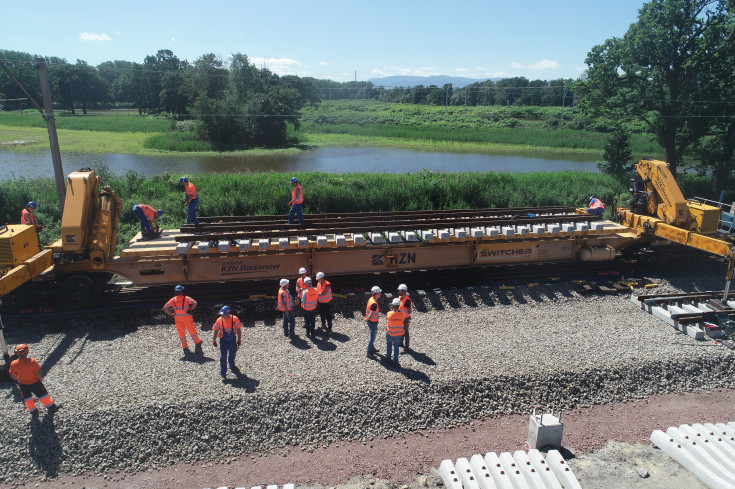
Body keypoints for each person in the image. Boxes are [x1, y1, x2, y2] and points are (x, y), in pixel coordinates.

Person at [8, 344, 61, 416]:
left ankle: (33, 410)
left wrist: (18, 379)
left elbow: (11, 374)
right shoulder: (32, 361)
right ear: (27, 352)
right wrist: (40, 378)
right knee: (42, 394)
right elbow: (38, 372)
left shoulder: (13, 363)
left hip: (22, 384)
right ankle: (51, 406)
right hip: (35, 382)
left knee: (27, 397)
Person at [163, 285, 202, 354]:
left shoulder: (173, 300)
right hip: (186, 317)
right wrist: (190, 309)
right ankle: (197, 342)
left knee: (181, 332)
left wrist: (172, 314)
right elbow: (195, 303)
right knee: (192, 330)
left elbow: (165, 308)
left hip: (177, 318)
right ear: (182, 291)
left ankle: (184, 346)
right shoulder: (186, 298)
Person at [212, 306, 242, 380]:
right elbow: (216, 330)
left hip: (232, 340)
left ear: (228, 313)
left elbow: (238, 330)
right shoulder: (219, 320)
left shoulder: (235, 319)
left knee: (232, 353)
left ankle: (231, 365)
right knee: (223, 357)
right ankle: (223, 374)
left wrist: (239, 340)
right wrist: (214, 340)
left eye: (224, 314)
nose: (222, 315)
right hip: (223, 341)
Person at [386, 298, 406, 366]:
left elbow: (387, 319)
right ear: (399, 306)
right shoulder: (403, 314)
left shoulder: (389, 313)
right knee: (396, 346)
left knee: (389, 345)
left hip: (390, 332)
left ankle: (388, 358)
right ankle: (396, 361)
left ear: (393, 305)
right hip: (398, 333)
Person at [364, 286, 382, 357]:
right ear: (376, 293)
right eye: (379, 292)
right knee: (372, 337)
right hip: (372, 322)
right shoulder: (374, 303)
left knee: (373, 336)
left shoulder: (371, 299)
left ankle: (372, 348)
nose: (380, 293)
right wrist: (367, 319)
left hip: (371, 322)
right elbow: (371, 314)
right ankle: (369, 352)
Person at [397, 284, 413, 352]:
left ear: (403, 291)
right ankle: (400, 343)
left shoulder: (407, 300)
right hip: (400, 318)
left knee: (406, 332)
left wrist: (406, 316)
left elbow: (409, 311)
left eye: (400, 291)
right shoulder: (400, 297)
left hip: (405, 319)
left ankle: (406, 347)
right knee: (401, 331)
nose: (398, 292)